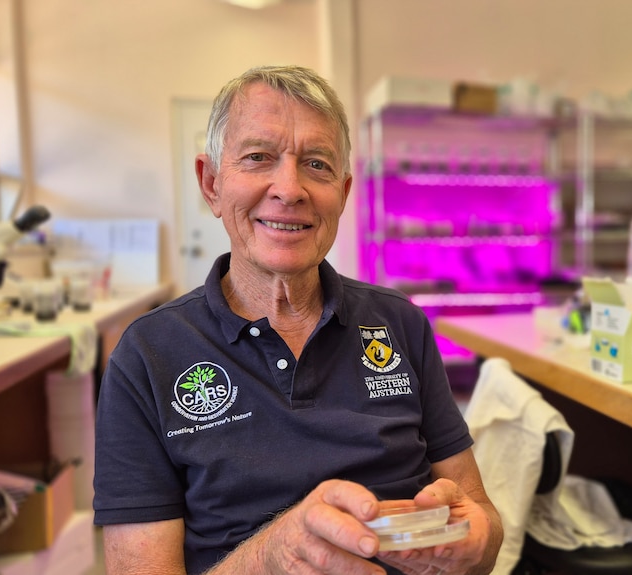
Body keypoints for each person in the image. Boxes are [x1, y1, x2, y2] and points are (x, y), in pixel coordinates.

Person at [93, 64, 503, 575]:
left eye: (316, 164)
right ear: (212, 183)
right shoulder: (147, 357)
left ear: (344, 193)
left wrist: (477, 538)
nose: (290, 189)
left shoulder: (400, 324)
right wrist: (275, 553)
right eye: (259, 158)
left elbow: (480, 518)